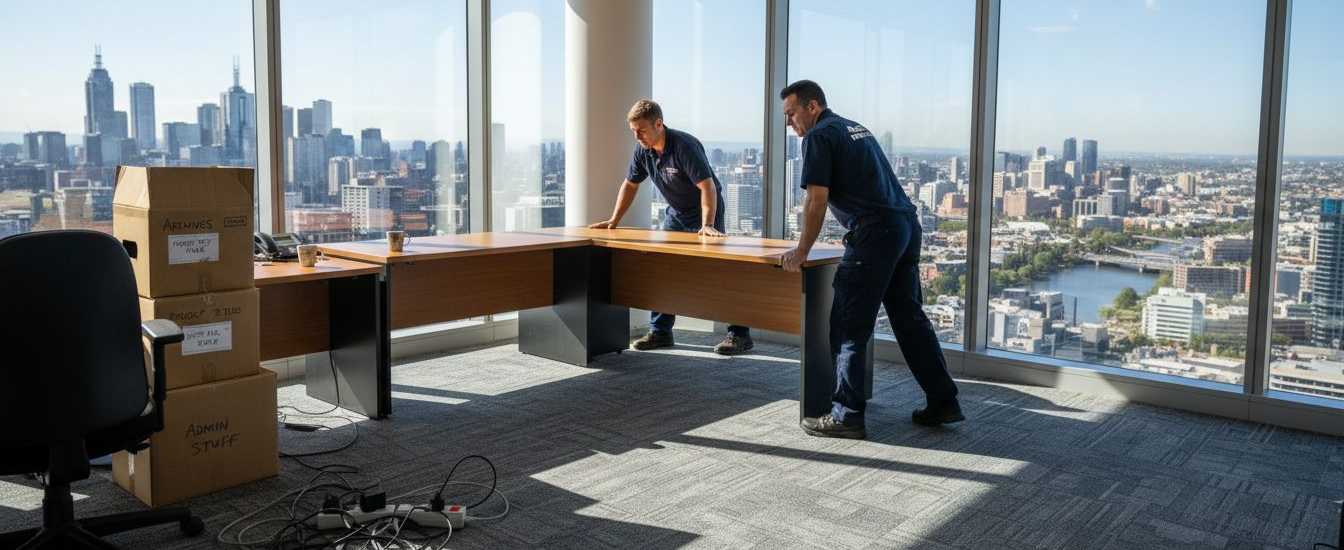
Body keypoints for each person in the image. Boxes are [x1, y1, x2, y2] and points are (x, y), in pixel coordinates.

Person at [777, 80, 962, 439]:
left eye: (792, 113)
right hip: (904, 226)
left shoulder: (817, 136)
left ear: (812, 107)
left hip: (875, 234)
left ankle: (846, 415)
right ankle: (943, 400)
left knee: (849, 326)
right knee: (909, 320)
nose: (789, 123)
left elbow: (816, 198)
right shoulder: (853, 127)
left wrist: (801, 251)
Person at [589, 99, 754, 356]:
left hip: (704, 212)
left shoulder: (684, 146)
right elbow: (630, 184)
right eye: (633, 131)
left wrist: (707, 225)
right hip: (676, 214)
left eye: (641, 130)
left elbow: (707, 187)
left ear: (659, 124)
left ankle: (739, 334)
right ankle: (661, 332)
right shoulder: (643, 150)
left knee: (719, 271)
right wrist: (614, 220)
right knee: (662, 269)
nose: (637, 137)